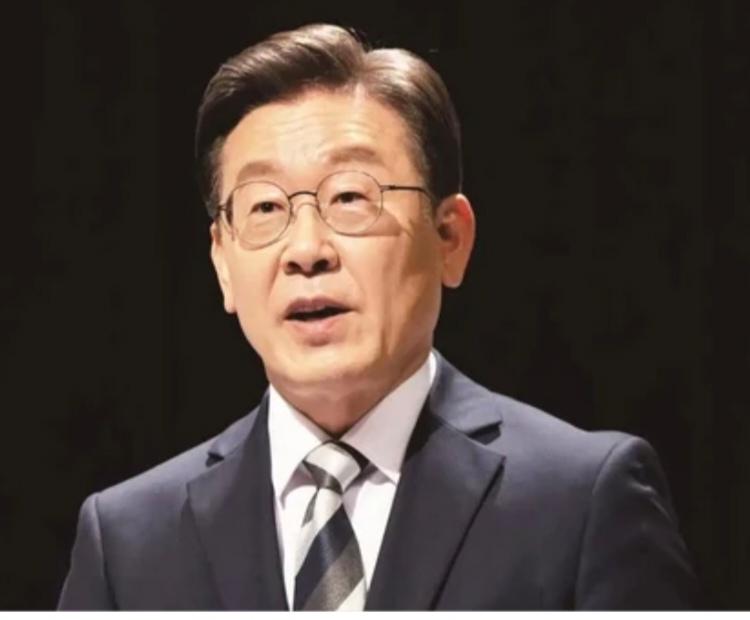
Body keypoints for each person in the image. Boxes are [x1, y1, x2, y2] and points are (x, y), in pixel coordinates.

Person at [58, 23, 698, 610]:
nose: (306, 250)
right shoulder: (128, 542)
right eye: (264, 207)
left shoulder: (581, 501)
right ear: (222, 262)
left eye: (349, 197)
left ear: (450, 238)